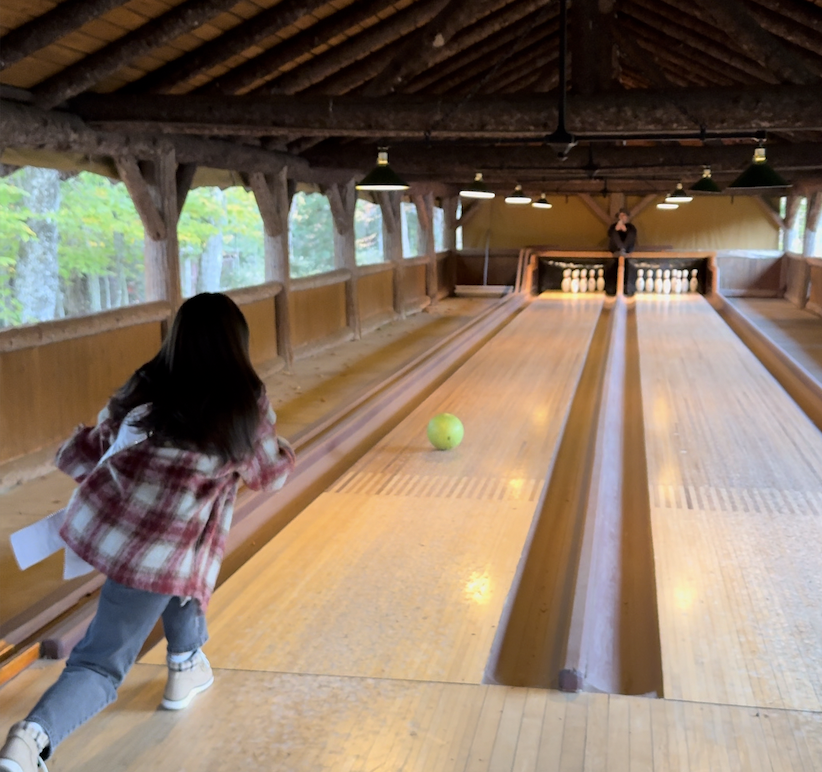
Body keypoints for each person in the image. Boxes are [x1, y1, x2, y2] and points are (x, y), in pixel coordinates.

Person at [0, 293, 296, 772]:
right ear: (237, 343)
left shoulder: (147, 382)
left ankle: (184, 663)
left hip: (125, 533)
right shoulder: (244, 399)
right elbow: (268, 473)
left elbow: (98, 445)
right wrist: (280, 448)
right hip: (156, 554)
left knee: (184, 570)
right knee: (100, 663)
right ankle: (30, 741)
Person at [605, 208, 639, 296]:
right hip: (616, 250)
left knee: (630, 234)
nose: (621, 217)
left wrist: (625, 230)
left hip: (628, 250)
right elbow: (609, 234)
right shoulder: (613, 226)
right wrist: (616, 229)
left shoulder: (631, 227)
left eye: (623, 215)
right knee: (614, 233)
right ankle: (621, 249)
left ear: (627, 217)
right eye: (620, 215)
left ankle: (623, 249)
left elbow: (632, 237)